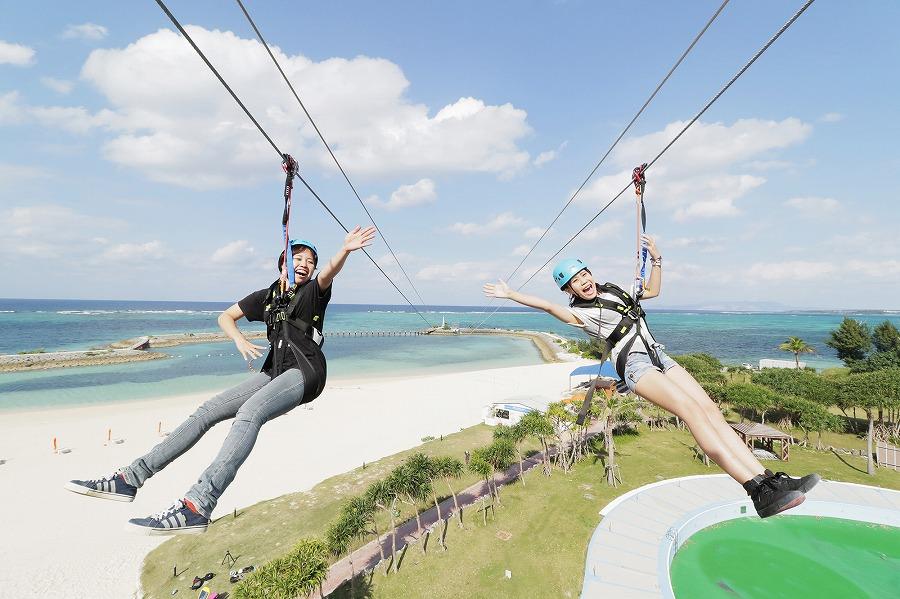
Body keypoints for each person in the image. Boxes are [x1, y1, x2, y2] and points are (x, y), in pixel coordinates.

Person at [65, 226, 377, 534]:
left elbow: (329, 273)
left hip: (305, 373)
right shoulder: (266, 297)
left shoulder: (312, 293)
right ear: (283, 262)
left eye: (310, 260)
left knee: (249, 414)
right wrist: (239, 339)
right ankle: (130, 478)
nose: (304, 264)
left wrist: (345, 250)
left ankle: (198, 504)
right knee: (207, 411)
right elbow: (225, 317)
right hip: (273, 372)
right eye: (297, 257)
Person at [483, 236, 819, 518]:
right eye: (575, 281)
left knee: (712, 412)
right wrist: (511, 294)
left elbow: (652, 292)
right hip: (636, 366)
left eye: (584, 274)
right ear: (568, 289)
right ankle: (754, 489)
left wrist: (657, 260)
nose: (583, 282)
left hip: (660, 356)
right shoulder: (581, 314)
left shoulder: (614, 291)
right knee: (691, 413)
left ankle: (772, 481)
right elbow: (547, 307)